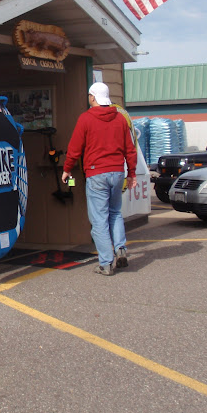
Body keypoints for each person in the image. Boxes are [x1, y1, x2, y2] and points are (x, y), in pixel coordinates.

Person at [62, 82, 137, 276]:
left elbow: (75, 148)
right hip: (117, 172)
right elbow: (130, 149)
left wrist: (67, 169)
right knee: (115, 212)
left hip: (96, 173)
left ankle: (106, 263)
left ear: (93, 97)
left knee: (99, 220)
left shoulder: (86, 119)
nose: (89, 98)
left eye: (89, 95)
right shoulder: (120, 119)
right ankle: (120, 248)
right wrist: (132, 174)